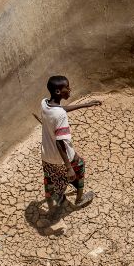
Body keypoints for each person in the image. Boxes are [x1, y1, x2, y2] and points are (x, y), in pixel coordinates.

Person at [40, 75, 100, 211]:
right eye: (67, 87)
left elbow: (60, 110)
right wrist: (68, 167)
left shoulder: (44, 103)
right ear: (58, 92)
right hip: (60, 157)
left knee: (51, 178)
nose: (70, 89)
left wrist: (85, 104)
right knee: (79, 166)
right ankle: (79, 199)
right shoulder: (61, 116)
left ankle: (55, 199)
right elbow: (60, 143)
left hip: (46, 155)